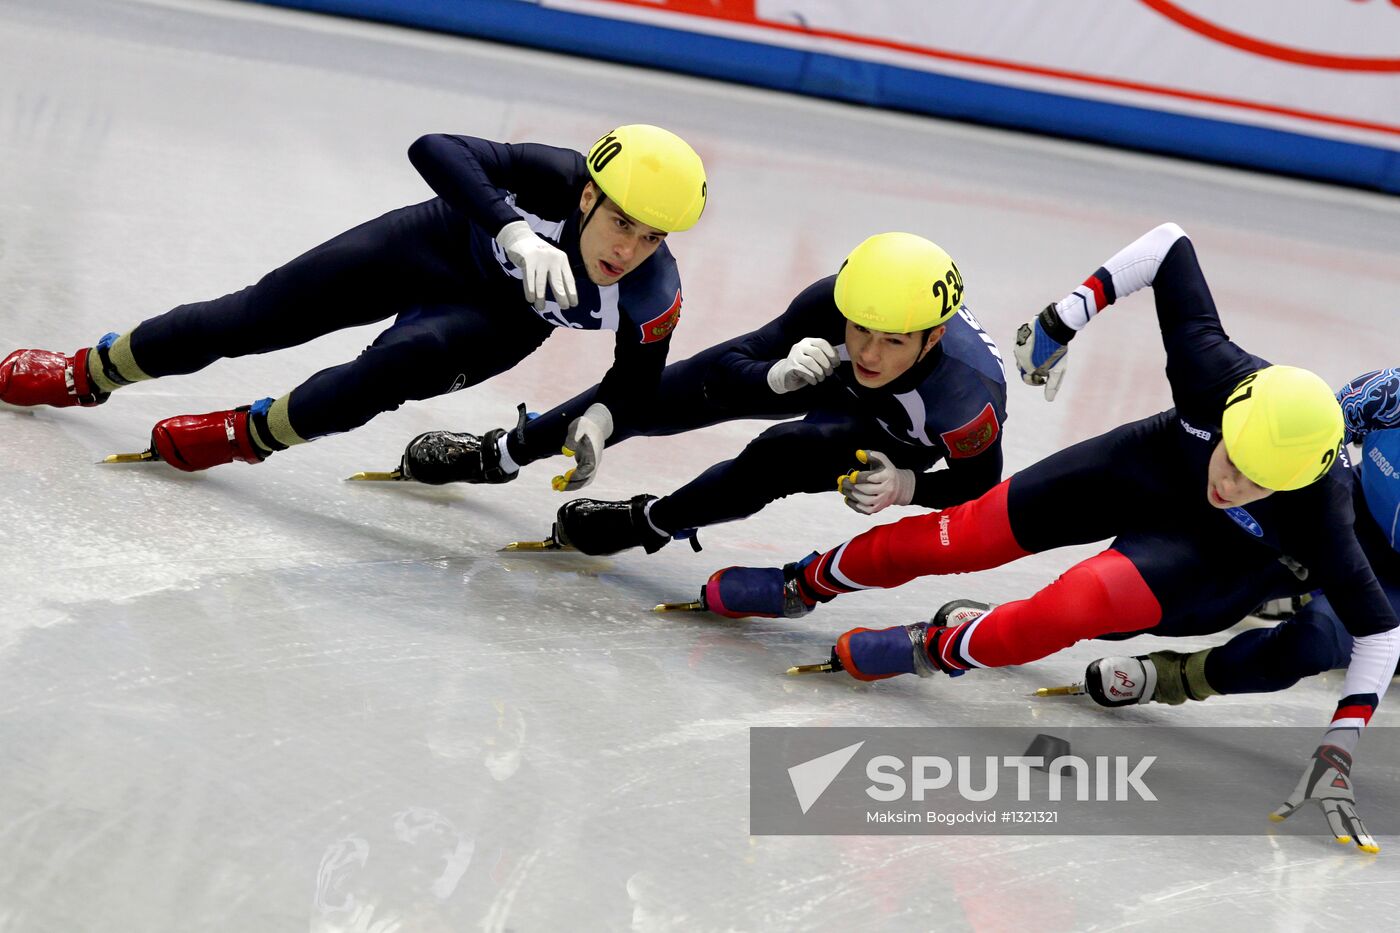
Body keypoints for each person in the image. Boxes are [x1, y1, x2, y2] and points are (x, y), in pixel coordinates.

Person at [694, 223, 1400, 851]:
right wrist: (1066, 316)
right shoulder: (1215, 371)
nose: (1233, 481)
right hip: (1148, 466)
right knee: (965, 536)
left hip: (1223, 554)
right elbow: (1168, 245)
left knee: (1077, 606)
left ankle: (938, 646)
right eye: (1233, 458)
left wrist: (1341, 740)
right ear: (1232, 413)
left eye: (1257, 481)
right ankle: (805, 581)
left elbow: (1380, 630)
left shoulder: (1323, 513)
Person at [0, 125, 707, 475]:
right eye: (620, 223)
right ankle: (89, 372)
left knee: (394, 366)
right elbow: (433, 148)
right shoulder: (553, 177)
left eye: (651, 237)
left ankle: (250, 435)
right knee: (254, 316)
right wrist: (513, 231)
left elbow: (636, 383)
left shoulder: (653, 294)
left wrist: (602, 420)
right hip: (438, 242)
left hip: (496, 321)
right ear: (587, 194)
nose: (628, 250)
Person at [396, 233, 1008, 553]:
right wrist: (776, 376)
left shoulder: (965, 401)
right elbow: (725, 371)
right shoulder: (833, 301)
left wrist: (909, 486)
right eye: (861, 331)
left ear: (931, 340)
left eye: (894, 342)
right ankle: (500, 453)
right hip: (825, 373)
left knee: (781, 453)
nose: (871, 355)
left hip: (896, 431)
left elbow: (978, 486)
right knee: (658, 391)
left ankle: (651, 523)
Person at [1076, 368, 1400, 709]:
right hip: (1358, 513)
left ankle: (1176, 677)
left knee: (1311, 642)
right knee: (1226, 571)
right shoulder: (1388, 393)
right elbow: (1305, 446)